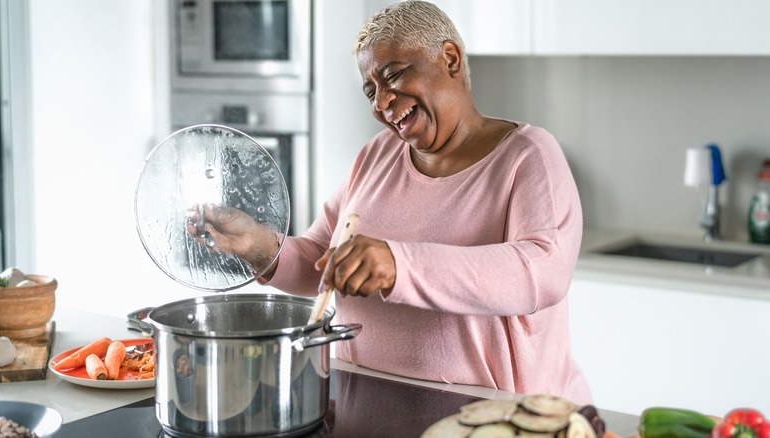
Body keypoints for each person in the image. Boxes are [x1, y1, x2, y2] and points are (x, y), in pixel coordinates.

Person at [189, 0, 591, 404]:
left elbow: (541, 272)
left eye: (393, 76)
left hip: (492, 416)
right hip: (363, 401)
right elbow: (321, 261)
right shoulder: (376, 155)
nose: (381, 103)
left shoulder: (527, 155)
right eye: (371, 91)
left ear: (449, 59)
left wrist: (398, 265)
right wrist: (260, 247)